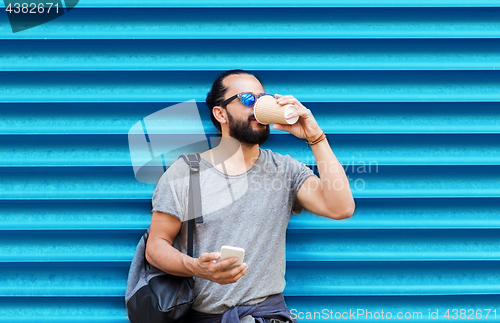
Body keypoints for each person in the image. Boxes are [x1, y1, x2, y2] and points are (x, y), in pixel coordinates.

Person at [145, 69, 355, 323]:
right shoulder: (186, 173)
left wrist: (315, 137)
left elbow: (340, 208)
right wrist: (196, 267)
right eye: (247, 99)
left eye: (263, 98)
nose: (259, 107)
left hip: (267, 316)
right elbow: (156, 246)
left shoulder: (285, 170)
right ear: (220, 113)